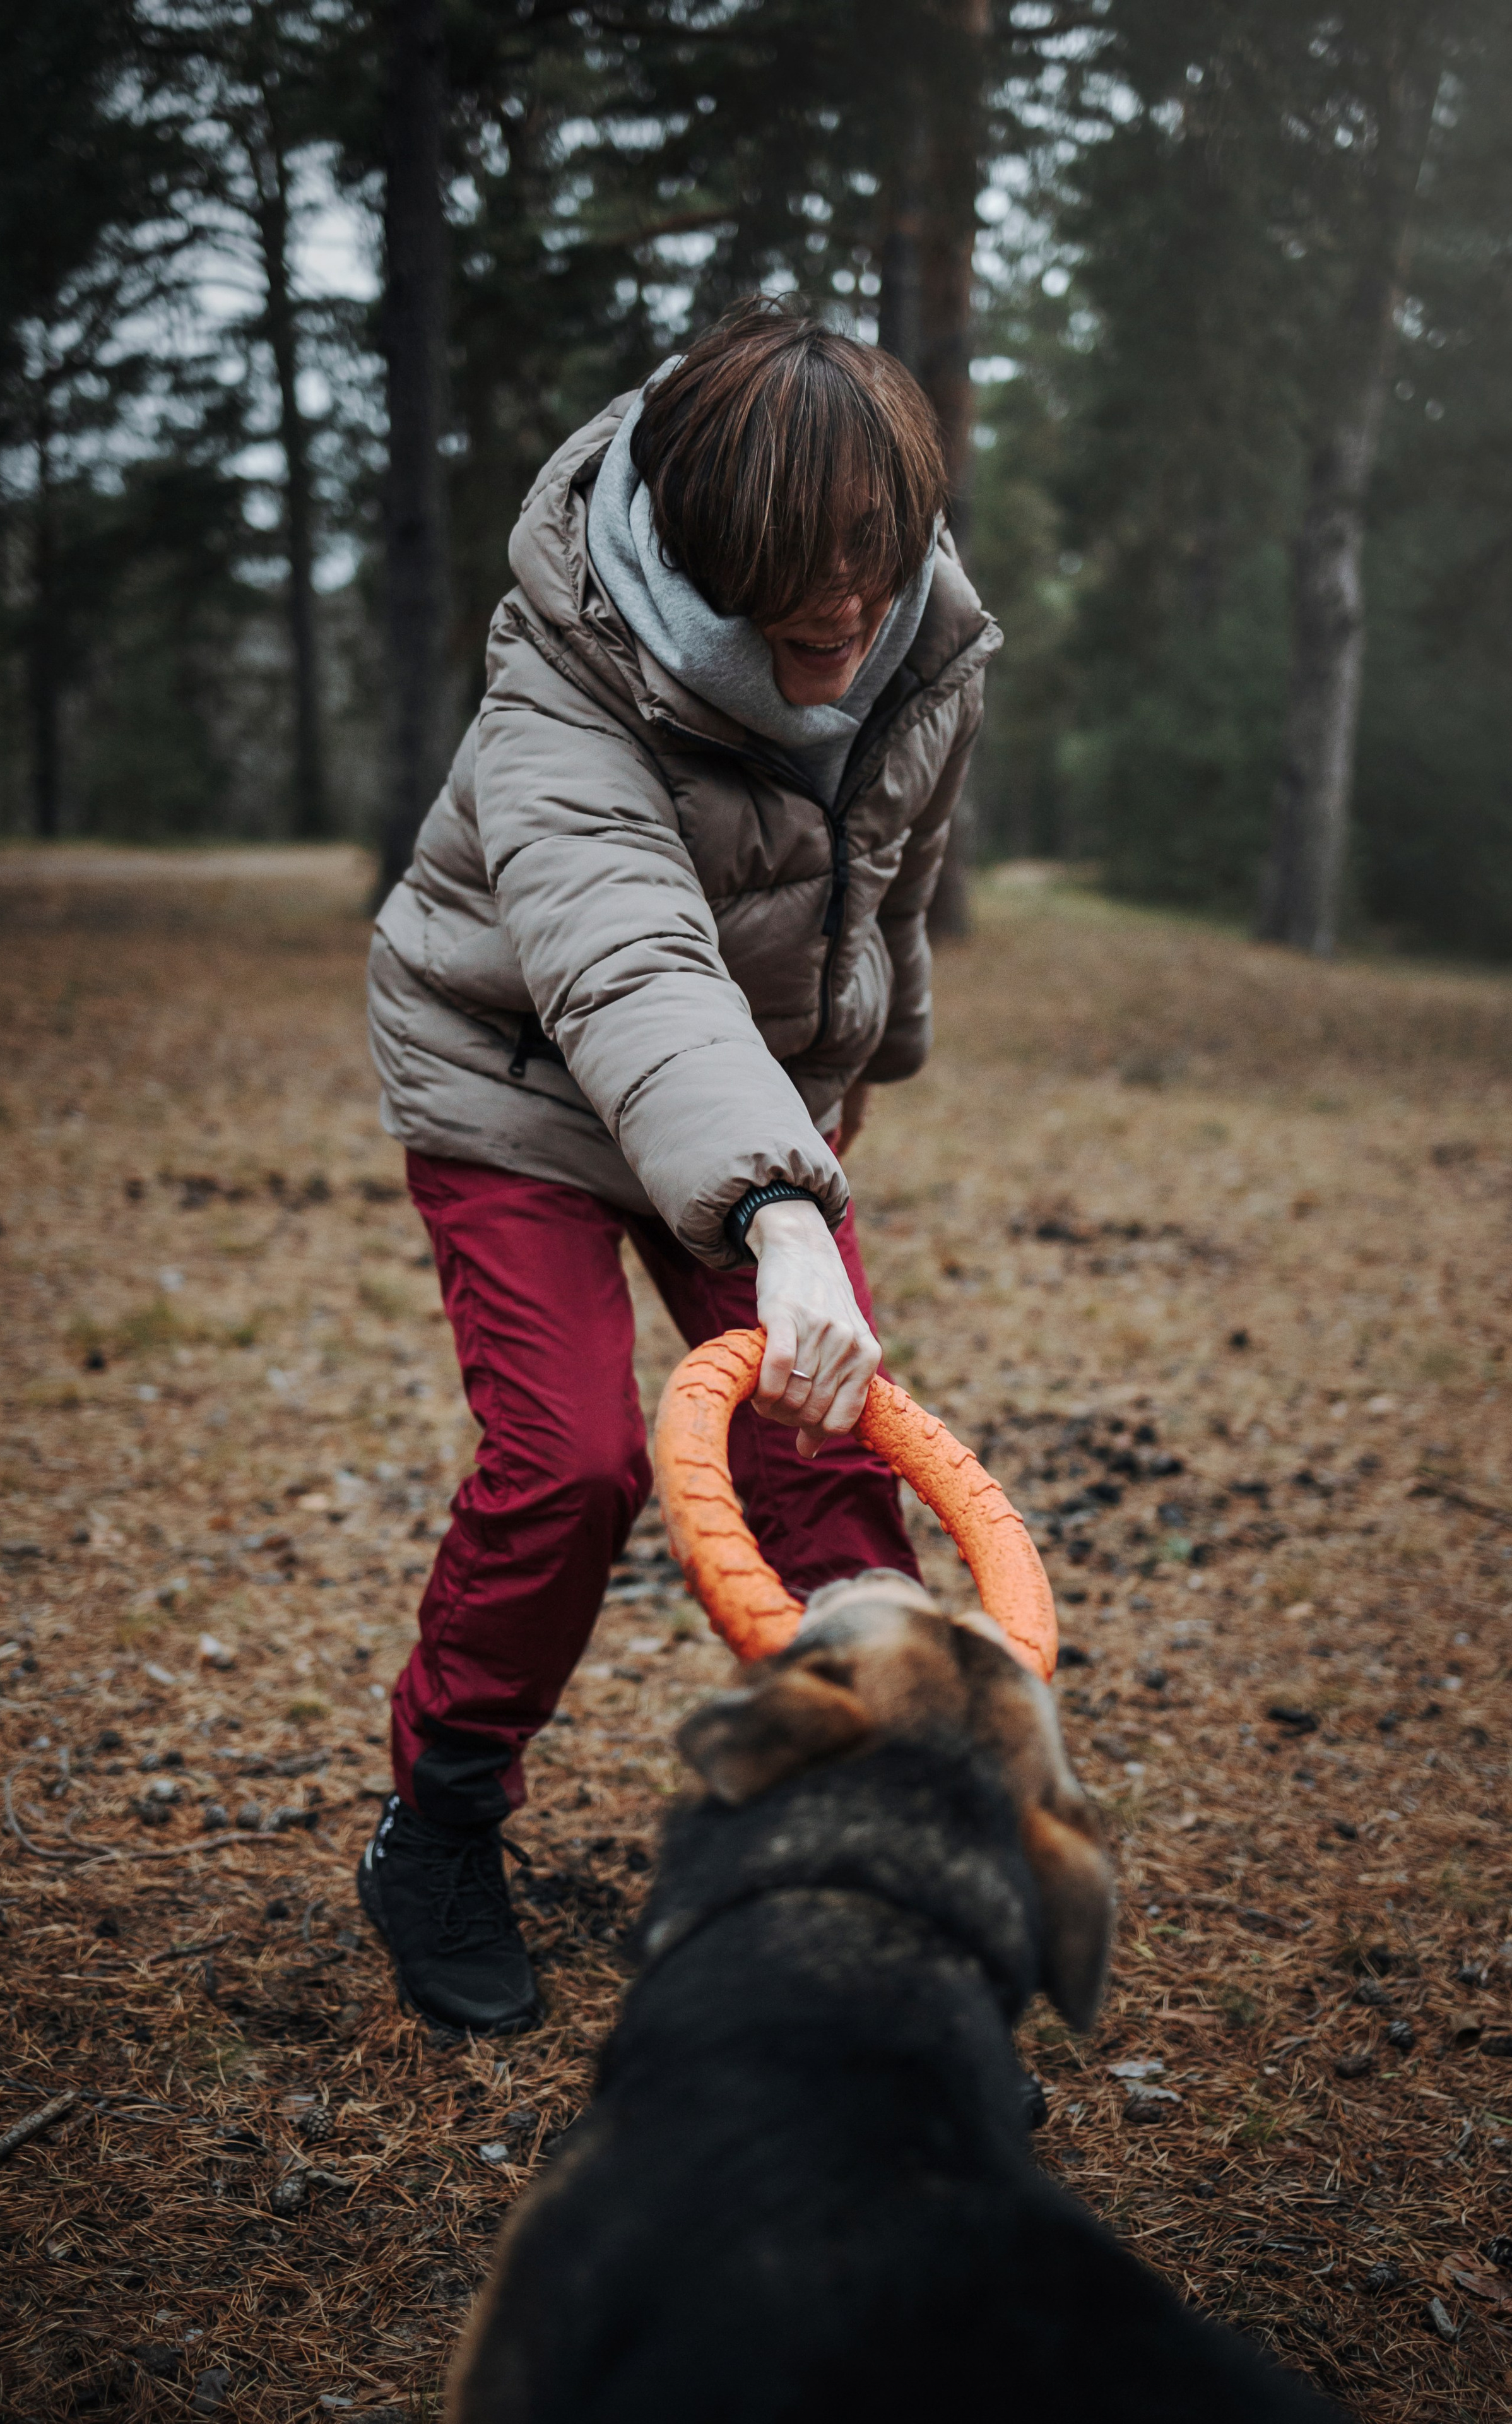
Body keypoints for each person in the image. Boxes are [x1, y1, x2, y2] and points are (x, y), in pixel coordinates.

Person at [357, 297, 1001, 2032]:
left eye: (874, 573)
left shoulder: (925, 633)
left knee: (834, 1478)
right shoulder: (558, 678)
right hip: (523, 1078)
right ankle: (441, 1816)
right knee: (570, 1460)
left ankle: (870, 1902)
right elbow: (629, 963)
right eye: (804, 606)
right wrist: (781, 1209)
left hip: (763, 1106)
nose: (851, 623)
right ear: (709, 557)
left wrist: (858, 1086)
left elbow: (886, 875)